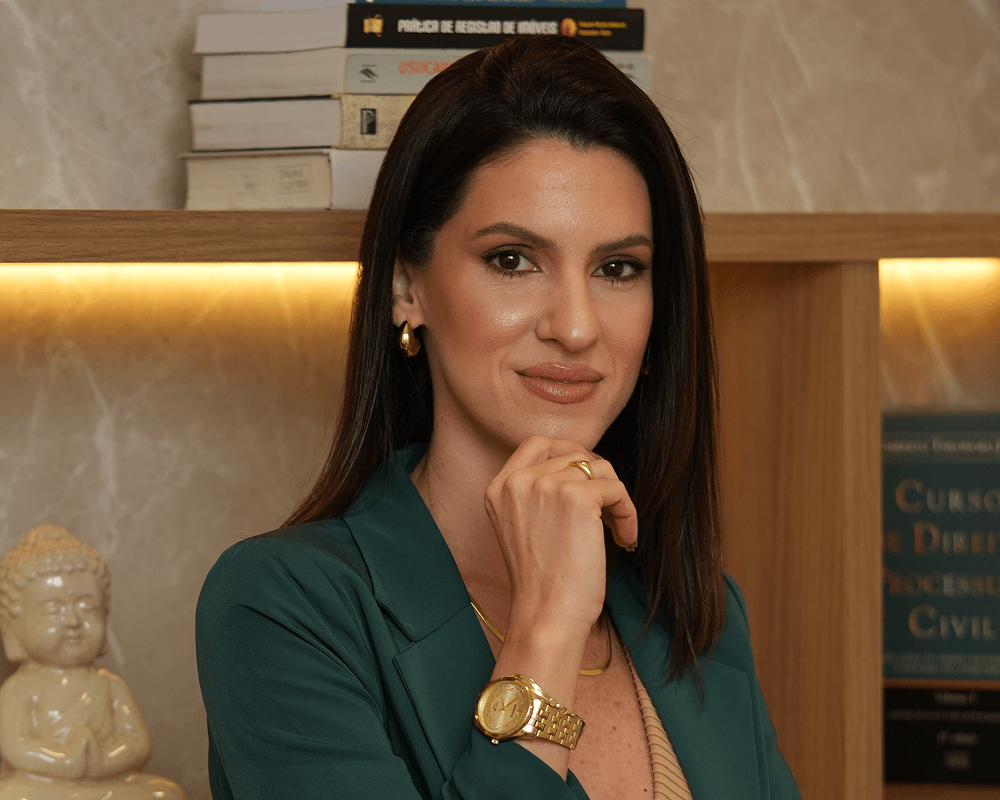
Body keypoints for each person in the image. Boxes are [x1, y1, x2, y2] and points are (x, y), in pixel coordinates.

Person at [196, 35, 800, 800]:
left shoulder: (695, 613)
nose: (575, 327)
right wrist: (546, 629)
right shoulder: (283, 607)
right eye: (513, 259)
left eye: (618, 269)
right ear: (406, 286)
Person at [0, 524, 185, 800]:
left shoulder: (111, 685)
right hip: (45, 785)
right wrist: (63, 761)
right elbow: (16, 747)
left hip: (106, 783)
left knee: (164, 793)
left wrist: (104, 762)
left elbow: (137, 742)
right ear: (15, 625)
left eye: (86, 606)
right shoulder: (20, 688)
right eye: (52, 609)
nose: (73, 621)